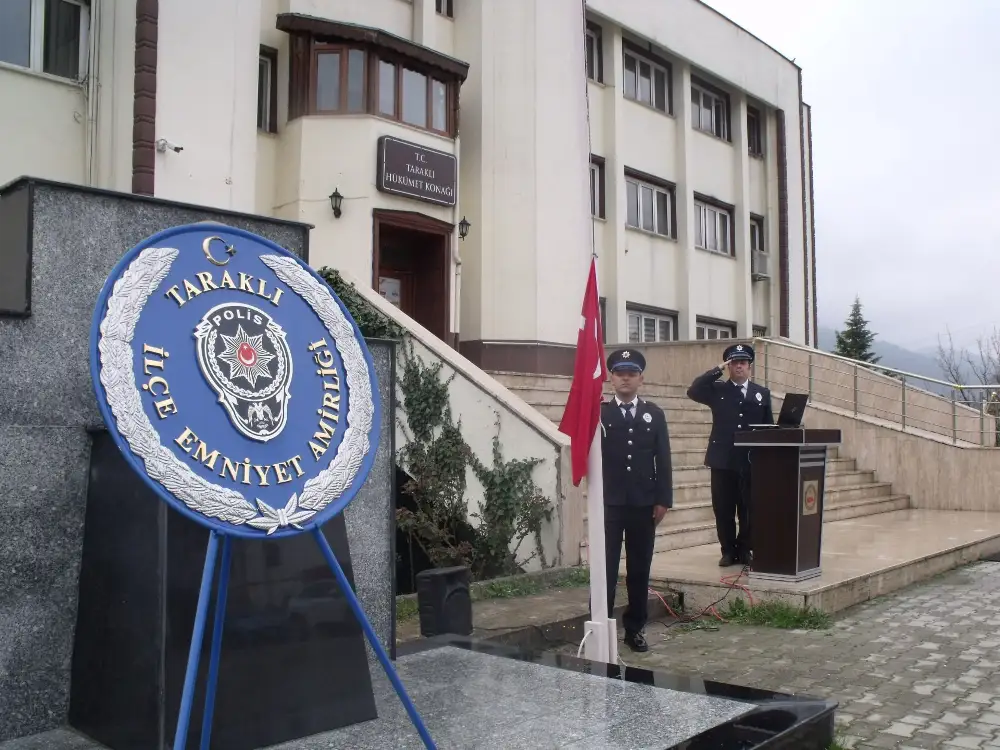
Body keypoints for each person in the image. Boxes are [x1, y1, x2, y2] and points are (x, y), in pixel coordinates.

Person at [601, 348, 672, 653]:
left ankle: (635, 629)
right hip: (610, 502)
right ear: (611, 378)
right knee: (605, 568)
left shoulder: (654, 414)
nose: (625, 378)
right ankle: (601, 625)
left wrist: (663, 499)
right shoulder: (600, 414)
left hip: (643, 503)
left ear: (641, 378)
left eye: (631, 373)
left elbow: (663, 459)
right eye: (620, 373)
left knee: (639, 569)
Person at [686, 343, 773, 568]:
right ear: (729, 366)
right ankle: (728, 550)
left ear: (750, 366)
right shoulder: (717, 390)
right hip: (722, 460)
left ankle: (745, 549)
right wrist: (717, 369)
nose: (739, 366)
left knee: (748, 509)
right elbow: (693, 390)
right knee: (723, 509)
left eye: (743, 362)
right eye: (734, 363)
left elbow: (768, 427)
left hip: (750, 460)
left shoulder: (761, 393)